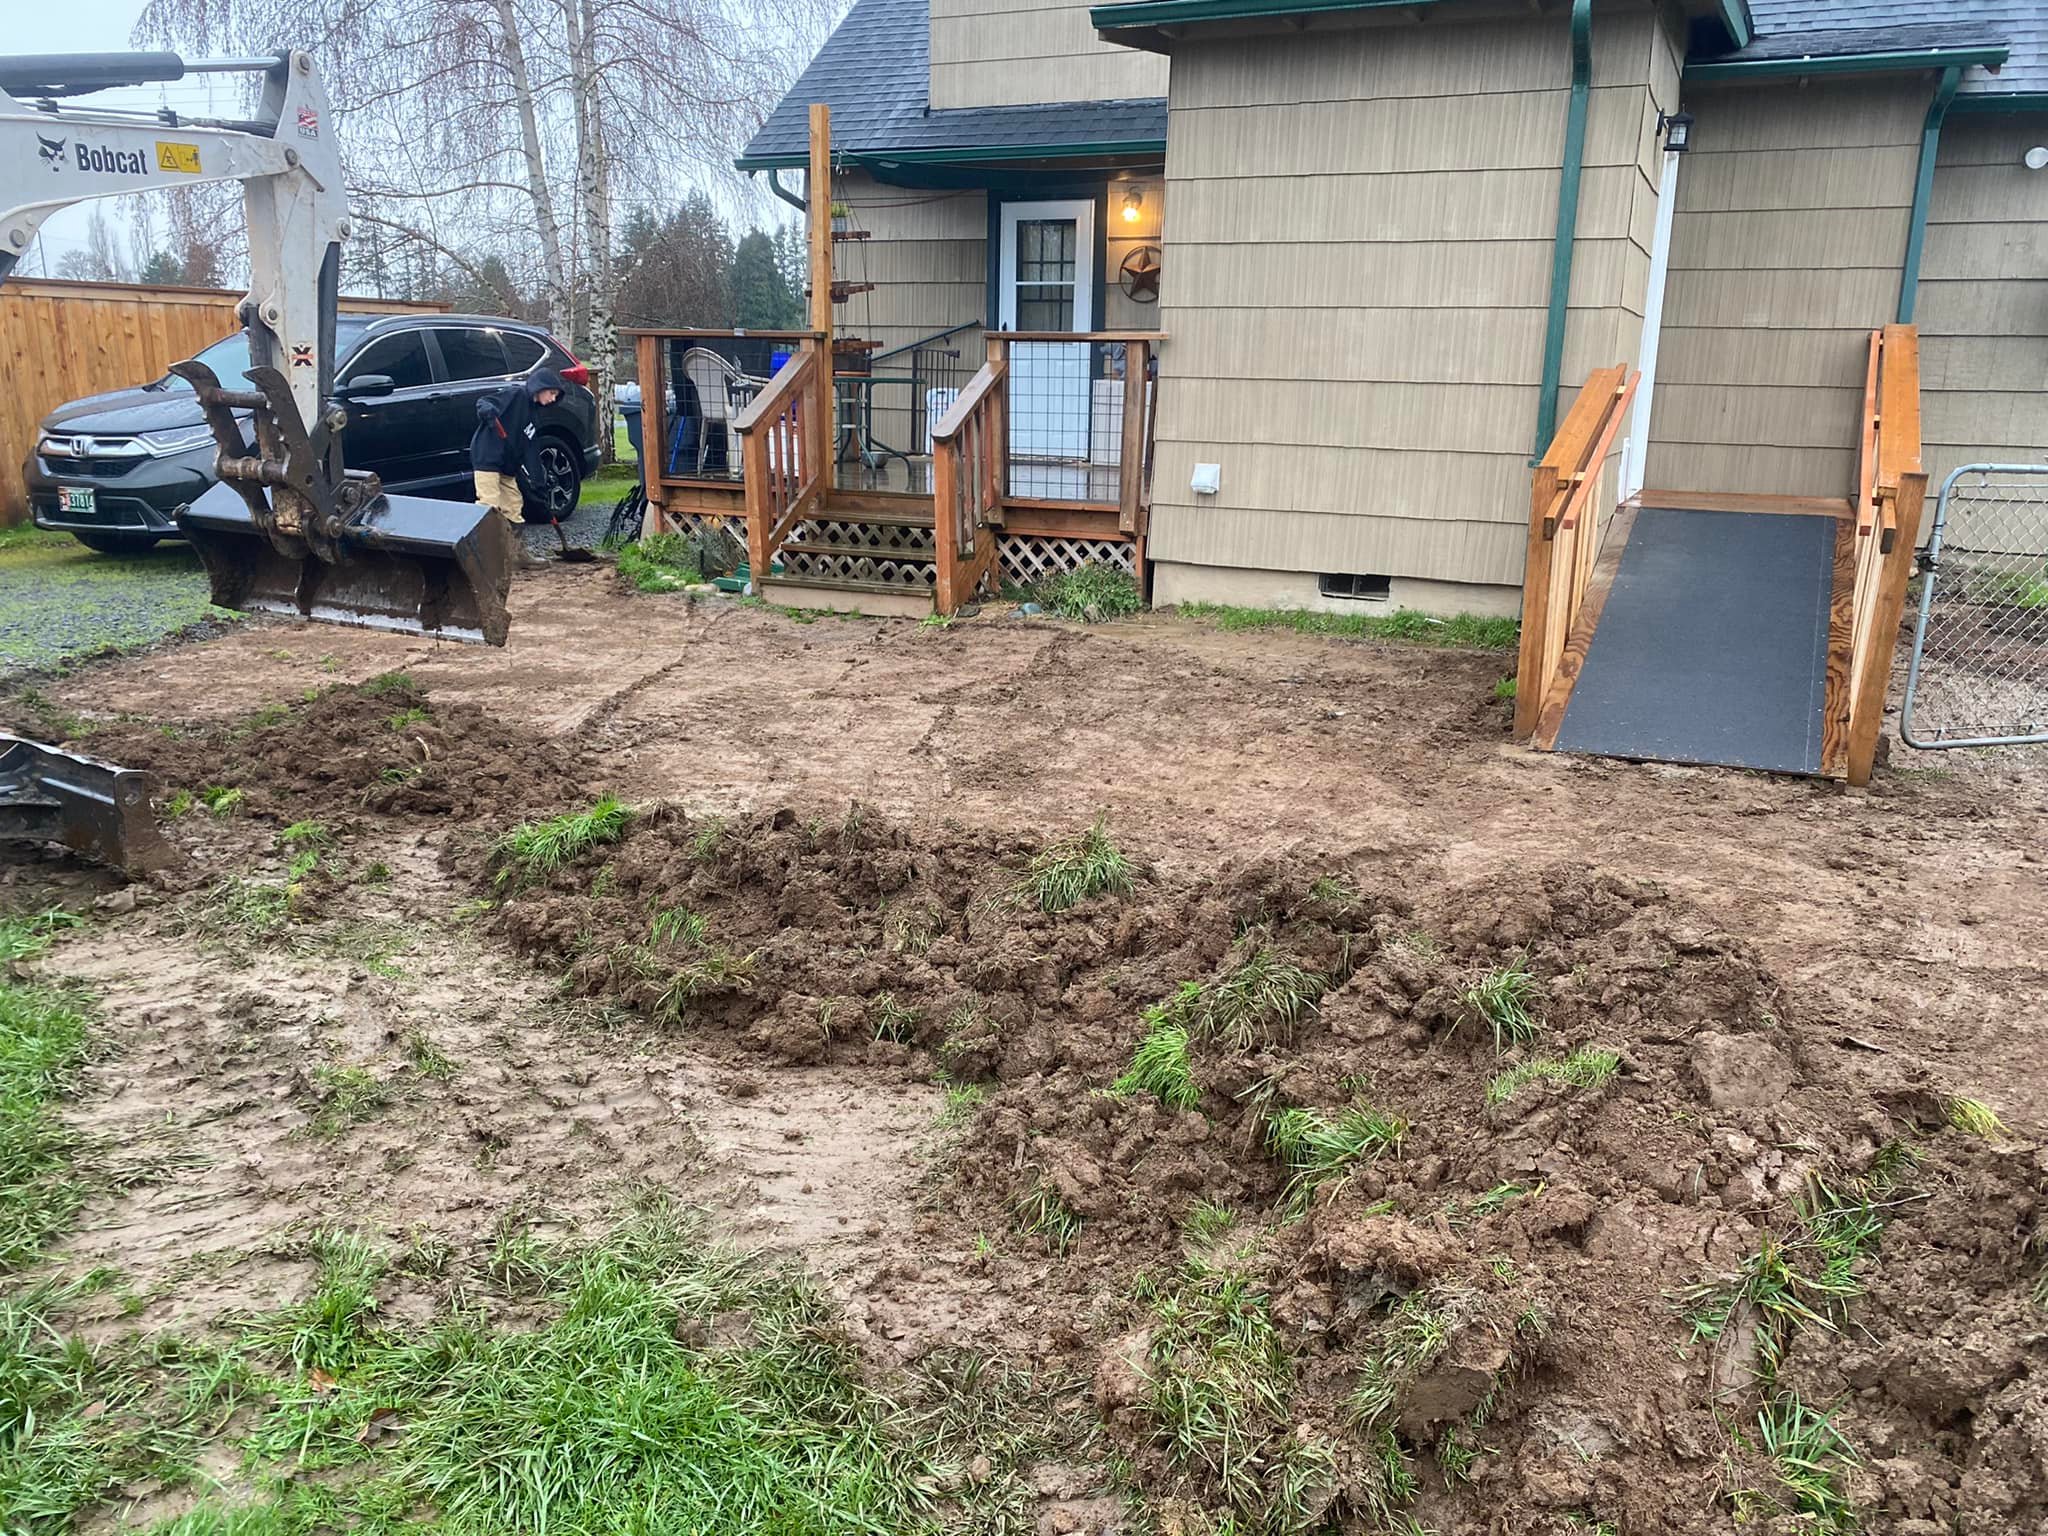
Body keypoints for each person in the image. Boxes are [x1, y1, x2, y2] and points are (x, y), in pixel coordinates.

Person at [470, 369, 568, 559]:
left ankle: (516, 554)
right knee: (489, 504)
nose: (553, 399)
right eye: (552, 393)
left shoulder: (534, 415)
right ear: (541, 387)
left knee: (514, 505)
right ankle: (483, 558)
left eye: (556, 396)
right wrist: (487, 412)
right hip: (488, 457)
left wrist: (539, 483)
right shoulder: (515, 395)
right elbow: (484, 402)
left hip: (508, 465)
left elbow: (530, 451)